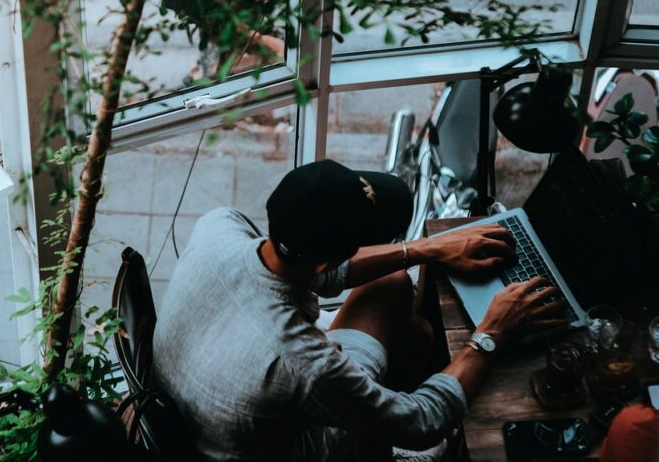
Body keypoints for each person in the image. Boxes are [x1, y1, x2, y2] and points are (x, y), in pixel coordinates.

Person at [153, 160, 566, 462]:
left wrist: (428, 248)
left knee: (400, 299)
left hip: (197, 404)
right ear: (325, 261)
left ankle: (375, 419)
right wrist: (492, 331)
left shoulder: (218, 226)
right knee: (418, 349)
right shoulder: (301, 361)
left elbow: (315, 274)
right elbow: (422, 422)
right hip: (278, 449)